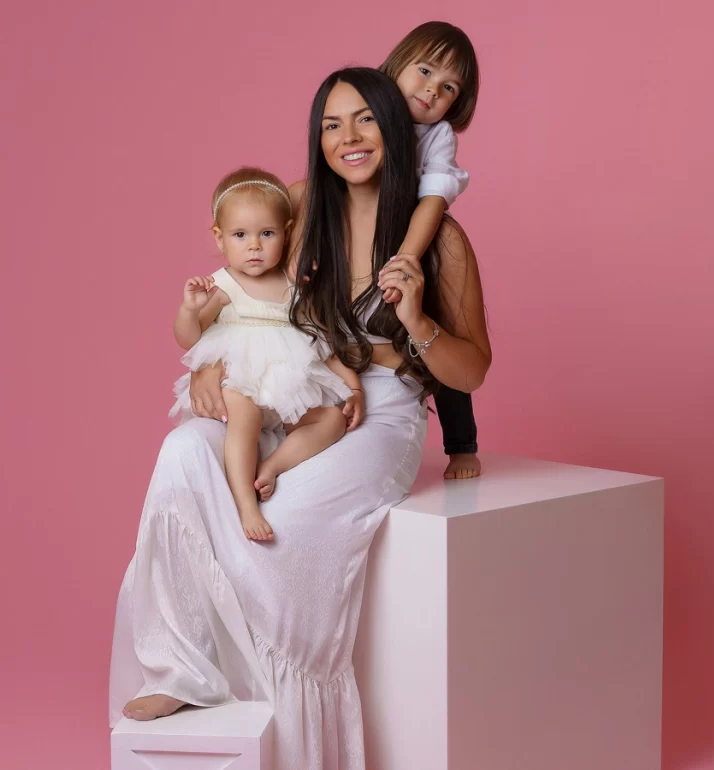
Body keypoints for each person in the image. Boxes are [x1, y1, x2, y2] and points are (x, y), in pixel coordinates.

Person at [110, 67, 491, 770]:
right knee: (183, 453)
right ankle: (181, 670)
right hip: (290, 379)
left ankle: (290, 731)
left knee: (288, 522)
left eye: (365, 121)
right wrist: (208, 361)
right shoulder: (300, 204)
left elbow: (473, 370)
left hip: (380, 406)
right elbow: (242, 278)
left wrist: (416, 317)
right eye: (331, 124)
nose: (348, 138)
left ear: (397, 131)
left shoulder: (440, 240)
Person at [170, 166, 362, 541]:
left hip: (287, 386)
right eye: (241, 235)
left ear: (287, 233)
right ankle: (245, 502)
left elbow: (321, 344)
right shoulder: (224, 284)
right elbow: (189, 338)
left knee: (332, 421)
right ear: (220, 239)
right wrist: (189, 310)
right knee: (243, 414)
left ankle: (272, 466)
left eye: (267, 234)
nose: (254, 245)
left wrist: (353, 388)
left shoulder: (295, 287)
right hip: (240, 378)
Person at [383, 20, 483, 480]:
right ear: (398, 62)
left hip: (413, 240)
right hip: (361, 236)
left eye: (448, 87)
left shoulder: (437, 135)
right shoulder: (366, 112)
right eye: (424, 71)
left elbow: (435, 199)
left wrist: (406, 258)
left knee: (435, 338)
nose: (431, 90)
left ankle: (462, 444)